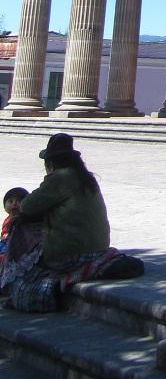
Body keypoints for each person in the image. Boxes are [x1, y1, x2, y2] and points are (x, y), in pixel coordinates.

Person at [2, 133, 142, 312]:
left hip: (71, 253)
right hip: (98, 246)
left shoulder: (60, 178)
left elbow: (27, 206)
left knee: (20, 226)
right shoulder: (86, 178)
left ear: (50, 163)